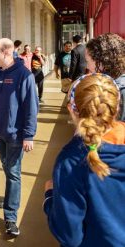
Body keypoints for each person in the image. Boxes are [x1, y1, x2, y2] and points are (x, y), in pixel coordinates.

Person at [44, 73, 125, 247]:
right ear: (117, 106)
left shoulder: (71, 160)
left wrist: (50, 197)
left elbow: (70, 236)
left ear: (72, 109)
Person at [0, 38, 39, 236]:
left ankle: (11, 217)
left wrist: (29, 135)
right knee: (7, 168)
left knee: (13, 173)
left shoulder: (24, 75)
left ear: (6, 52)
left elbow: (31, 106)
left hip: (15, 135)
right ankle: (10, 198)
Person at [85, 33, 125, 121]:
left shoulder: (119, 91)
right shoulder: (116, 84)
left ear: (103, 61)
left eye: (88, 61)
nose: (87, 67)